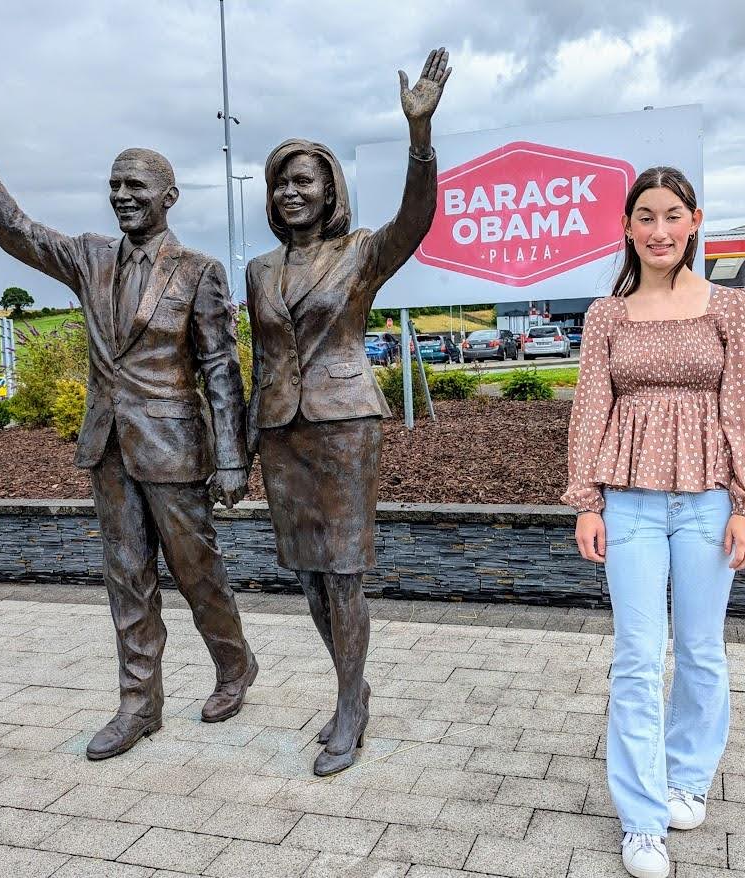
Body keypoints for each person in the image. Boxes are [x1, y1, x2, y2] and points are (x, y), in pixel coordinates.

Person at [0, 68, 257, 760]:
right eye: (115, 185)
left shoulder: (199, 272)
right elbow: (16, 231)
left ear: (168, 197)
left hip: (174, 447)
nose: (122, 196)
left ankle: (234, 664)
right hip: (108, 445)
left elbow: (221, 372)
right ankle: (139, 704)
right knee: (126, 573)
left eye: (135, 185)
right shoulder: (87, 258)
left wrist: (233, 456)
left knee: (196, 570)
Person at [562, 166, 745, 878]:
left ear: (694, 222)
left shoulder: (730, 309)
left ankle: (687, 776)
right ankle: (643, 819)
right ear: (627, 228)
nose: (659, 231)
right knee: (635, 658)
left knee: (702, 651)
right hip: (628, 502)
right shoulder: (606, 316)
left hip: (709, 499)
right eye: (645, 217)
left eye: (672, 216)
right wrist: (586, 500)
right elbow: (590, 407)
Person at [246, 49, 450, 776]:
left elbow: (417, 219)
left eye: (303, 180)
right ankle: (353, 688)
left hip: (343, 426)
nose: (290, 191)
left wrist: (419, 139)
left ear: (329, 188)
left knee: (343, 574)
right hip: (281, 434)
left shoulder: (362, 252)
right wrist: (242, 448)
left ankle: (347, 707)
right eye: (280, 183)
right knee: (305, 574)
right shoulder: (259, 271)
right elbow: (262, 360)